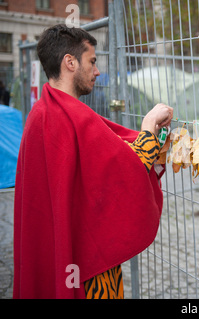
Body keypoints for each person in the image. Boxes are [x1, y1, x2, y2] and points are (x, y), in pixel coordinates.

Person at [13, 24, 173, 299]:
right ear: (70, 62)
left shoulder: (40, 113)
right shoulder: (74, 117)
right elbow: (128, 167)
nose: (97, 71)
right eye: (93, 61)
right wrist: (148, 125)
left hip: (57, 248)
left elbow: (105, 161)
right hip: (88, 265)